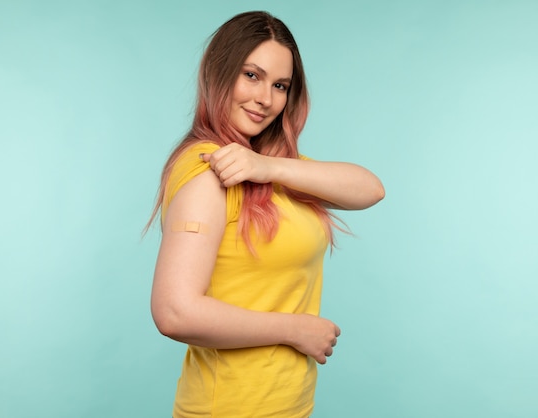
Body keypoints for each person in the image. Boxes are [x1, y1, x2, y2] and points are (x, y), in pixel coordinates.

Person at [147, 11, 385, 418]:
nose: (265, 99)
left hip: (285, 405)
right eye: (251, 75)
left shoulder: (266, 167)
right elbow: (174, 311)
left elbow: (370, 189)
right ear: (218, 75)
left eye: (280, 85)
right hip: (230, 408)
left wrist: (268, 167)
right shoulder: (211, 172)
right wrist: (295, 329)